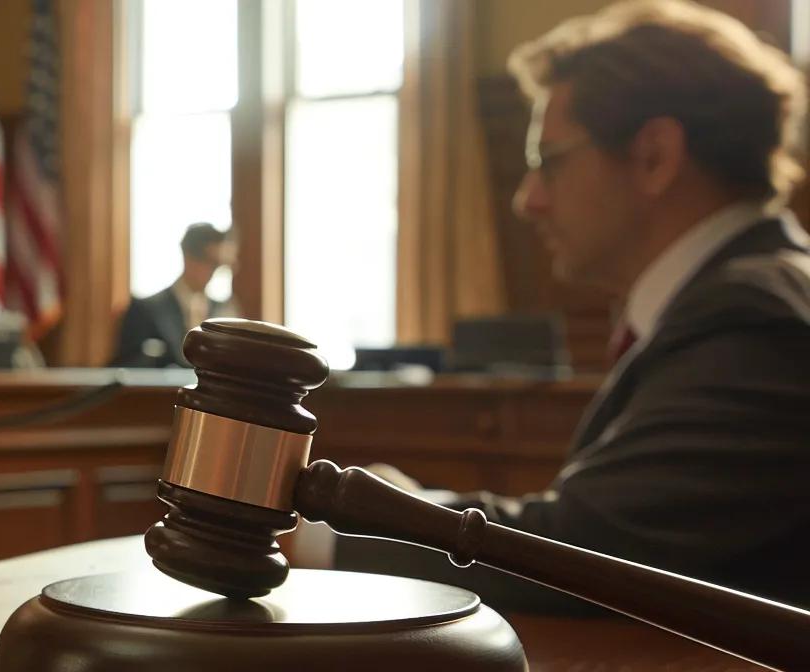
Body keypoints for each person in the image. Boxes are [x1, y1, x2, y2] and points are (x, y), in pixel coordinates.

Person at [338, 0, 810, 611]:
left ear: (655, 156)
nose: (526, 200)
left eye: (548, 163)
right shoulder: (747, 295)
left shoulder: (753, 322)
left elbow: (590, 554)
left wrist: (353, 526)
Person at [111, 222, 239, 367]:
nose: (212, 271)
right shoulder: (146, 310)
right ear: (187, 256)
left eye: (217, 265)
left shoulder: (222, 311)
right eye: (208, 261)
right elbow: (126, 367)